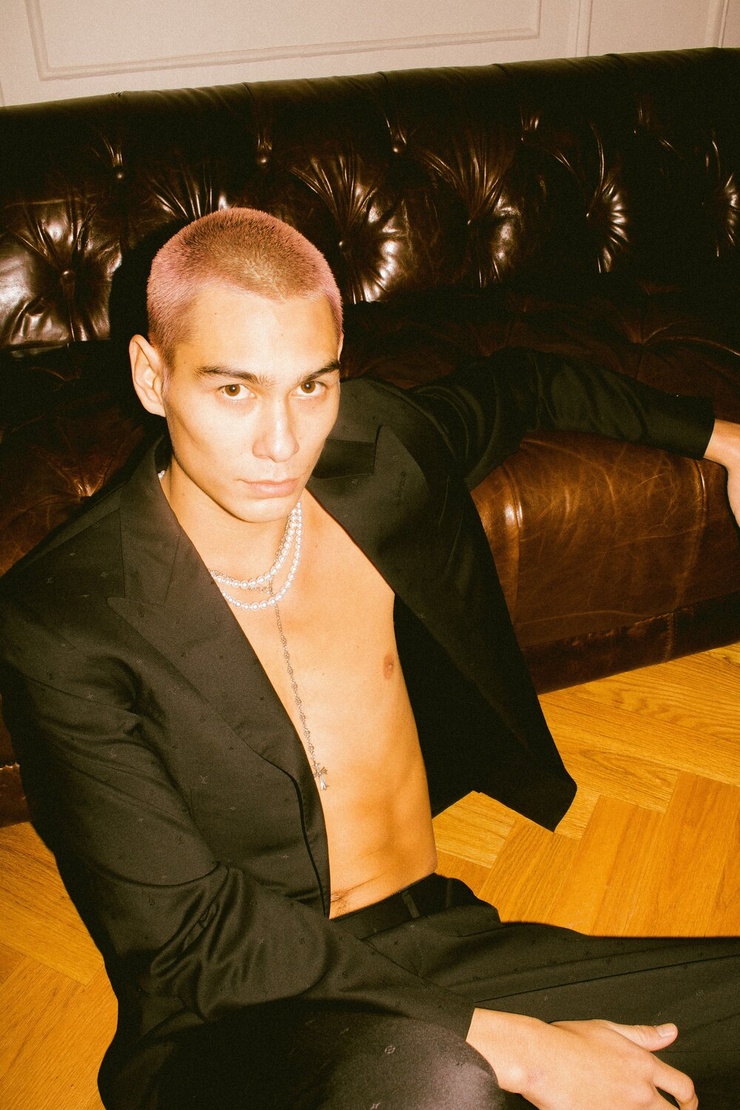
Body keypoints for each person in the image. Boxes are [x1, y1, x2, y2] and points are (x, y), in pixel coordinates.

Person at [1, 208, 739, 1110]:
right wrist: (522, 1051)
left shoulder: (380, 452)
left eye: (312, 386)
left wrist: (720, 437)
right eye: (233, 390)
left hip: (442, 945)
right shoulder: (64, 621)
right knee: (444, 1084)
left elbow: (524, 382)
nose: (283, 445)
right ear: (153, 377)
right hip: (236, 1011)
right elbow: (190, 937)